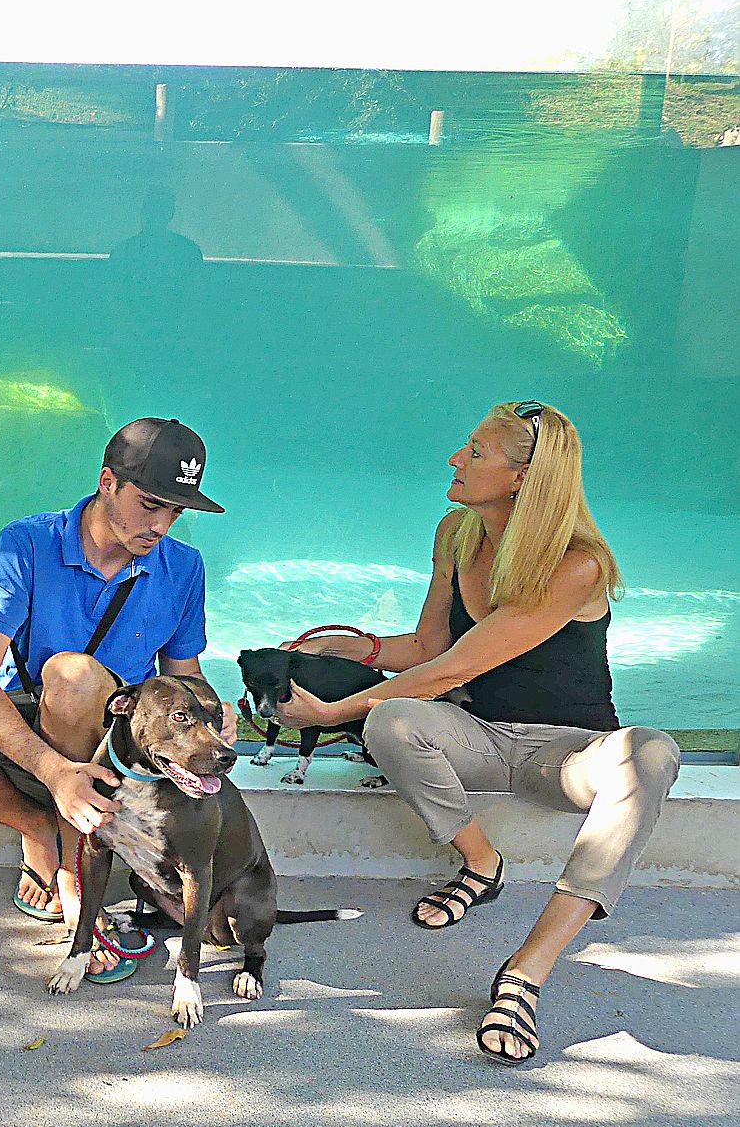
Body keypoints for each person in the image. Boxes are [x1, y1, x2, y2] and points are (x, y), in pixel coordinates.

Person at [274, 400, 680, 1065]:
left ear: (521, 477)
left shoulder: (577, 563)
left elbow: (457, 666)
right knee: (391, 717)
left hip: (565, 755)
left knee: (652, 751)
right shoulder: (456, 533)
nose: (455, 459)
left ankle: (526, 970)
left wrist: (326, 716)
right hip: (477, 736)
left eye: (475, 451)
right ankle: (482, 860)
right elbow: (432, 644)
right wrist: (352, 646)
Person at [0, 418, 235, 983]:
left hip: (115, 739)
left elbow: (184, 680)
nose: (163, 525)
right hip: (37, 716)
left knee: (74, 678)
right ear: (107, 482)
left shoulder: (184, 568)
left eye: (176, 511)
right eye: (151, 505)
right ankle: (45, 830)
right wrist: (54, 772)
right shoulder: (27, 543)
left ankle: (76, 874)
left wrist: (218, 714)